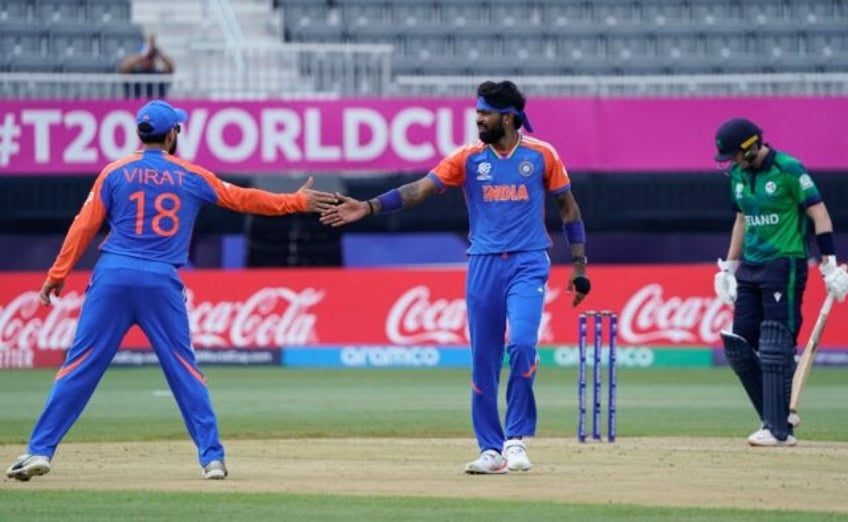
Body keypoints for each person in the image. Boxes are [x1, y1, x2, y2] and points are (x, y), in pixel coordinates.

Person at [5, 100, 338, 482]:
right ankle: (212, 459)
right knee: (183, 370)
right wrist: (296, 201)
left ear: (139, 134)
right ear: (172, 134)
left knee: (80, 366)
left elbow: (84, 226)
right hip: (160, 280)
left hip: (113, 275)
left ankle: (39, 450)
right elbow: (245, 198)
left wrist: (57, 274)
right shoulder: (190, 175)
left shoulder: (115, 172)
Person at [321, 80, 590, 474]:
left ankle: (515, 440)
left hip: (528, 262)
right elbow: (419, 190)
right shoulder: (468, 158)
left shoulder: (542, 154)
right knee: (483, 360)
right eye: (477, 111)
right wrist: (368, 206)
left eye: (485, 113)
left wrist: (580, 265)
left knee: (522, 345)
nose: (478, 118)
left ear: (509, 117)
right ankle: (491, 450)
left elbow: (568, 208)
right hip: (482, 263)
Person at [713, 117, 848, 447]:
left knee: (775, 343)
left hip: (784, 263)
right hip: (751, 267)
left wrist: (829, 265)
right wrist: (728, 267)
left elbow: (819, 214)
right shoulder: (739, 176)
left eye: (735, 155)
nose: (732, 162)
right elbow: (742, 219)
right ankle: (778, 417)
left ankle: (777, 430)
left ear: (753, 145)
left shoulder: (789, 169)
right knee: (739, 346)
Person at [118, 33, 175, 99]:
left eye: (150, 58)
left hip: (154, 107)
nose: (146, 60)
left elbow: (171, 68)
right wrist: (143, 54)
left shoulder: (159, 74)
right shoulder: (134, 73)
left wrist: (158, 52)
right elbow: (123, 68)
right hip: (134, 107)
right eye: (145, 58)